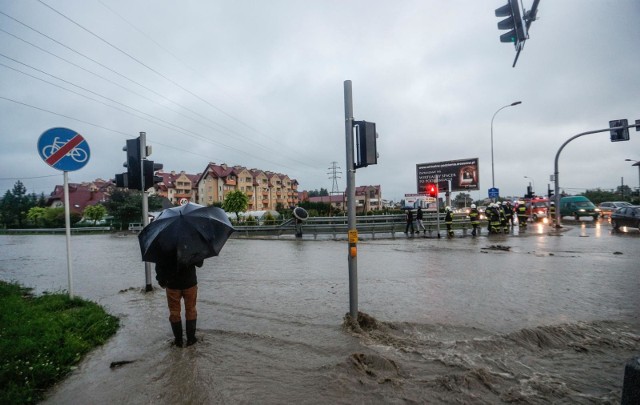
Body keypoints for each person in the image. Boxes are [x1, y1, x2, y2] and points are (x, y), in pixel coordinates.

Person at [155, 255, 204, 347]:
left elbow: (159, 265)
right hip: (190, 282)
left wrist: (161, 281)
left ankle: (178, 341)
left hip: (172, 284)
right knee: (191, 310)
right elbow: (200, 263)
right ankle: (191, 339)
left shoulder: (165, 245)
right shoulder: (192, 243)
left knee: (174, 312)